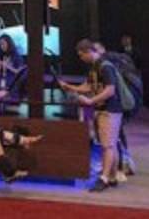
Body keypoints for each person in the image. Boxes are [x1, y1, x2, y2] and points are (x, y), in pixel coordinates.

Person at [59, 40, 124, 192]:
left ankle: (104, 178)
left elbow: (110, 90)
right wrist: (70, 87)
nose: (81, 58)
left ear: (89, 51)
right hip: (102, 109)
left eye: (81, 55)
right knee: (110, 144)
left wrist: (91, 101)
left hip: (110, 110)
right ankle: (112, 177)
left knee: (107, 146)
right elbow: (88, 86)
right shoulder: (94, 67)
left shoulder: (105, 66)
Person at [0, 34, 25, 103]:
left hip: (12, 85)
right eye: (0, 44)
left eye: (3, 44)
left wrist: (7, 66)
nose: (2, 46)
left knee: (11, 104)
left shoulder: (16, 56)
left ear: (9, 43)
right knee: (0, 103)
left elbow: (19, 72)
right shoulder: (0, 56)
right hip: (1, 84)